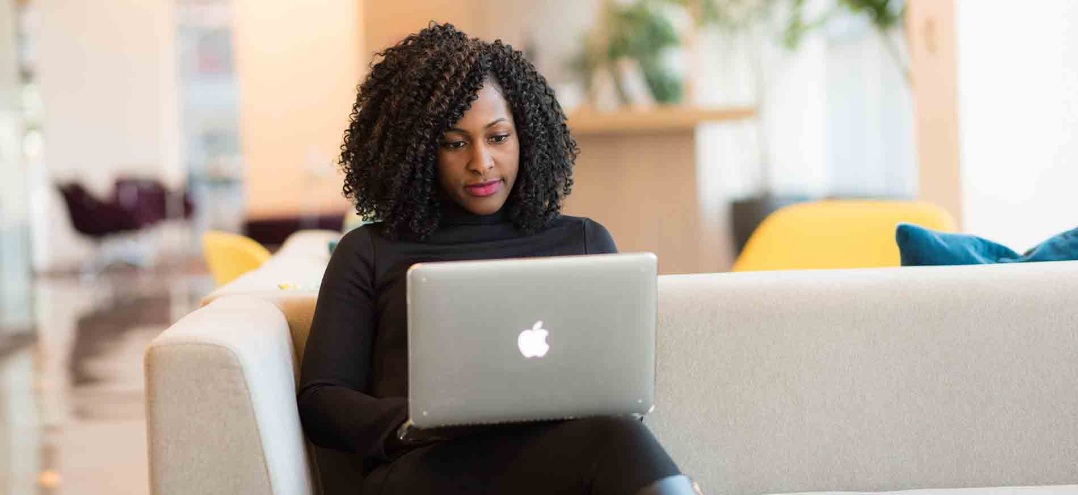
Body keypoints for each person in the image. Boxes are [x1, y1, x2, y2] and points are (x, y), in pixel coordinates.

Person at [298, 23, 702, 495]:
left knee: (619, 438)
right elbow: (321, 400)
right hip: (427, 471)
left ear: (526, 136)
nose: (481, 161)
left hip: (560, 462)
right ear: (417, 151)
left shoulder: (584, 241)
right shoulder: (369, 251)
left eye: (498, 137)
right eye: (455, 142)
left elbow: (610, 383)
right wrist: (415, 420)